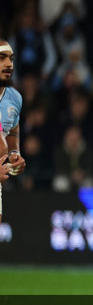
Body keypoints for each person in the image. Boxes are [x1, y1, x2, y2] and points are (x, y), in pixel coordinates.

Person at [0, 41, 27, 223]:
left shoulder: (14, 98)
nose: (9, 64)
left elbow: (12, 129)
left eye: (11, 59)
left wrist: (14, 152)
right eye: (2, 58)